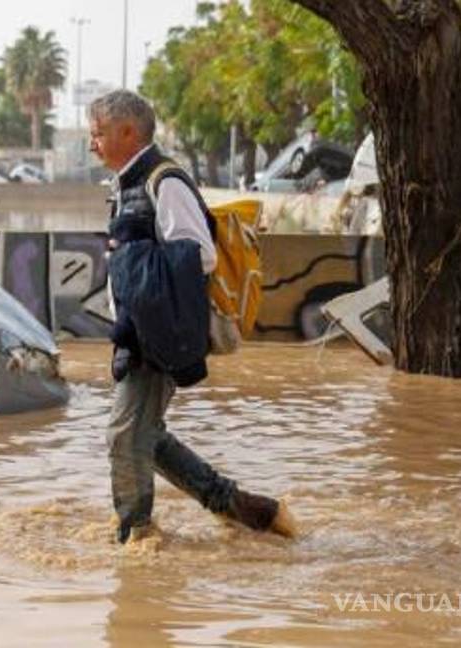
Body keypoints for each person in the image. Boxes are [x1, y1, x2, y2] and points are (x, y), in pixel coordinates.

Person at [89, 90, 297, 544]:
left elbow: (198, 254)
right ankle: (246, 510)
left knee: (124, 437)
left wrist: (130, 256)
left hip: (156, 333)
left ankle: (136, 536)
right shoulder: (129, 184)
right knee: (146, 436)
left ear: (128, 132)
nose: (93, 144)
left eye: (98, 134)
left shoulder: (165, 180)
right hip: (137, 330)